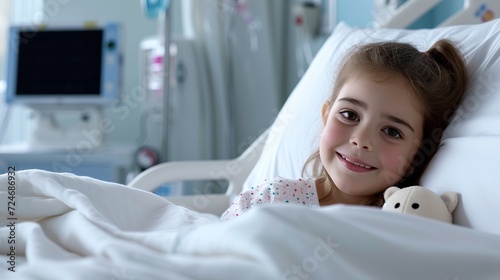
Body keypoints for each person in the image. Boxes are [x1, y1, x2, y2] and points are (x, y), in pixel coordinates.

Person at [221, 39, 469, 221]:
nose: (361, 140)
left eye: (392, 132)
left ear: (417, 155)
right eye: (349, 115)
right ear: (326, 115)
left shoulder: (399, 223)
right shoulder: (274, 198)